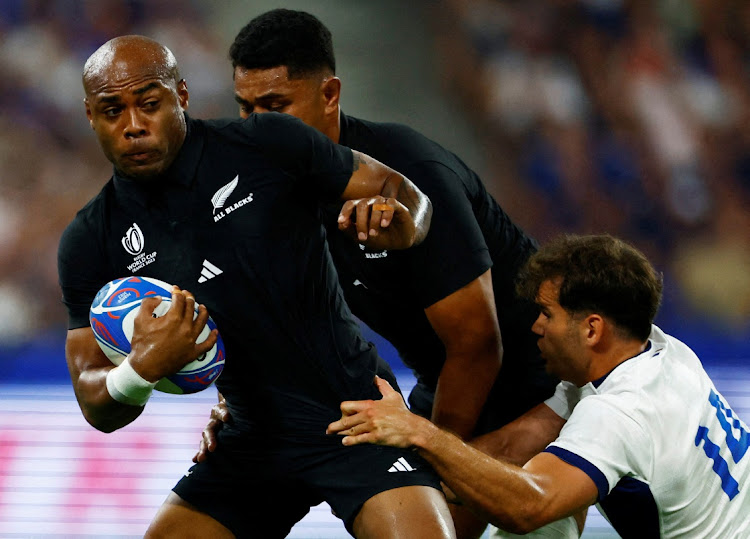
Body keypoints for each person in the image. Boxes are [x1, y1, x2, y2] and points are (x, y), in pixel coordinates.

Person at [58, 35, 457, 538]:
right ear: (90, 116)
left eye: (150, 104)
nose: (134, 126)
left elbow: (404, 196)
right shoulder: (90, 240)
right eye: (113, 111)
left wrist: (397, 226)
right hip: (249, 440)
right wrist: (139, 369)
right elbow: (95, 404)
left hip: (357, 414)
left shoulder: (267, 143)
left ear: (181, 95)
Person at [193, 10, 563, 537]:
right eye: (246, 109)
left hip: (542, 385)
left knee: (435, 517)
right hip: (446, 384)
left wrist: (431, 458)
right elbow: (270, 320)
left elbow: (478, 343)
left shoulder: (407, 175)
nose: (259, 129)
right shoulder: (267, 197)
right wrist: (234, 402)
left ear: (330, 95)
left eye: (276, 107)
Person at [327, 233, 750, 537]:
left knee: (542, 506)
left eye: (547, 314)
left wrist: (421, 433)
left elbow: (527, 507)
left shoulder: (620, 412)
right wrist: (401, 478)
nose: (535, 326)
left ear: (592, 330)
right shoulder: (658, 350)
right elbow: (517, 444)